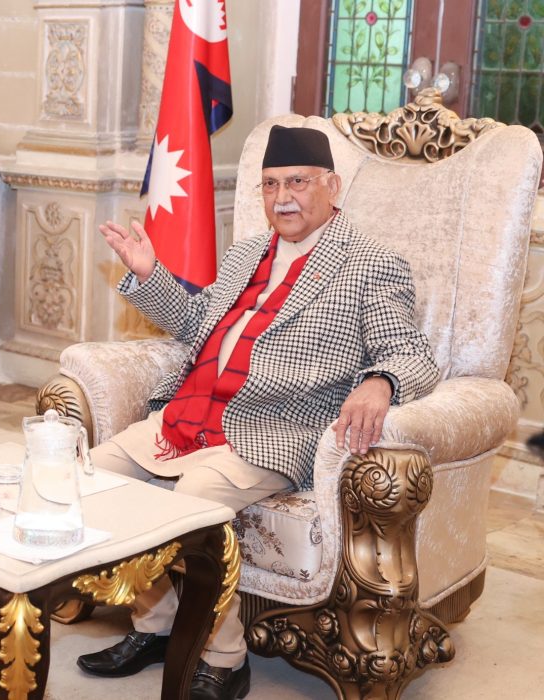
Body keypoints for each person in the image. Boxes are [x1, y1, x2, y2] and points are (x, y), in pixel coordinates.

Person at [74, 126, 439, 700]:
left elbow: (412, 354)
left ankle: (225, 658)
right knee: (89, 477)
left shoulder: (370, 263)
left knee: (194, 498)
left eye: (297, 182)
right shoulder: (246, 253)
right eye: (270, 184)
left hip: (272, 429)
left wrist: (380, 382)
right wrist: (149, 274)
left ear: (332, 186)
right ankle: (157, 624)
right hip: (190, 415)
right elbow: (196, 325)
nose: (282, 197)